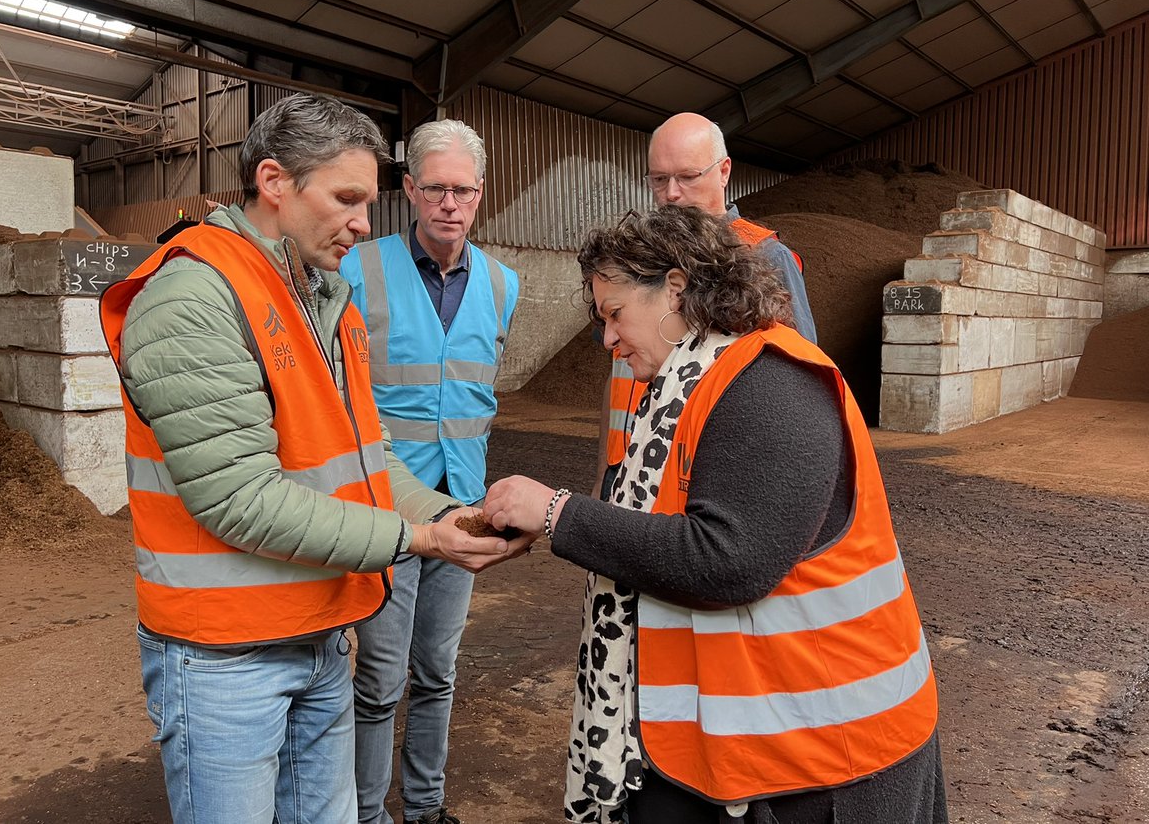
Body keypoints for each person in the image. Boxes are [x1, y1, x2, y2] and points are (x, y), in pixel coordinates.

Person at [99, 94, 531, 824]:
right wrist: (417, 537)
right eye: (347, 199)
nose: (364, 223)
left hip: (318, 632)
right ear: (274, 181)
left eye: (368, 202)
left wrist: (457, 515)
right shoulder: (193, 296)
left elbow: (369, 456)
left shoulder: (323, 296)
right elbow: (238, 499)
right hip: (226, 655)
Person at [485, 206, 947, 824]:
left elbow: (729, 560)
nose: (608, 340)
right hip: (755, 743)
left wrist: (558, 514)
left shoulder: (770, 385)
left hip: (832, 758)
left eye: (615, 314)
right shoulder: (692, 383)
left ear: (675, 289)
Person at [340, 119, 519, 824]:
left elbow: (478, 392)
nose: (450, 203)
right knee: (380, 678)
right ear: (410, 189)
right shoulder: (357, 269)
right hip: (385, 507)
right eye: (436, 188)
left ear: (480, 194)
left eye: (463, 191)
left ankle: (425, 807)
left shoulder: (502, 284)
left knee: (438, 672)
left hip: (464, 507)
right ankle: (365, 813)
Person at [593, 111, 817, 499]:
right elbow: (618, 378)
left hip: (703, 480)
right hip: (629, 472)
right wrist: (604, 477)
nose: (671, 193)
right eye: (659, 179)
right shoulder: (642, 260)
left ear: (724, 171)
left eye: (687, 176)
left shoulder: (764, 257)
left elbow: (799, 389)